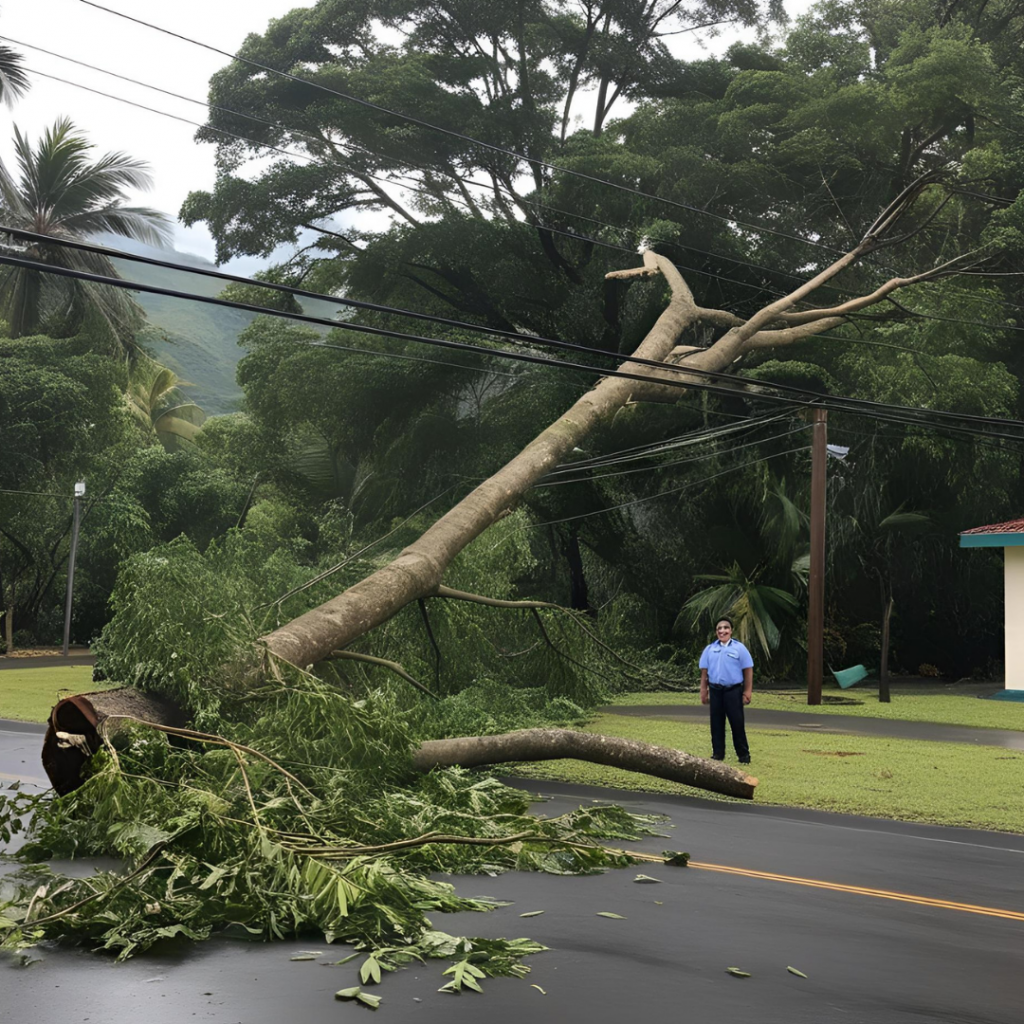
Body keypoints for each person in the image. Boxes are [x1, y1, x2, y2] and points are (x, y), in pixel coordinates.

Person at [698, 617, 753, 764]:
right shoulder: (710, 649)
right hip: (715, 690)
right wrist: (704, 690)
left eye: (725, 628)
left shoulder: (739, 648)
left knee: (737, 723)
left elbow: (748, 670)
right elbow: (704, 672)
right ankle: (718, 754)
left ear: (731, 630)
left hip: (733, 691)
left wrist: (747, 691)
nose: (722, 631)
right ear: (716, 632)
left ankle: (743, 755)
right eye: (719, 629)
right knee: (716, 723)